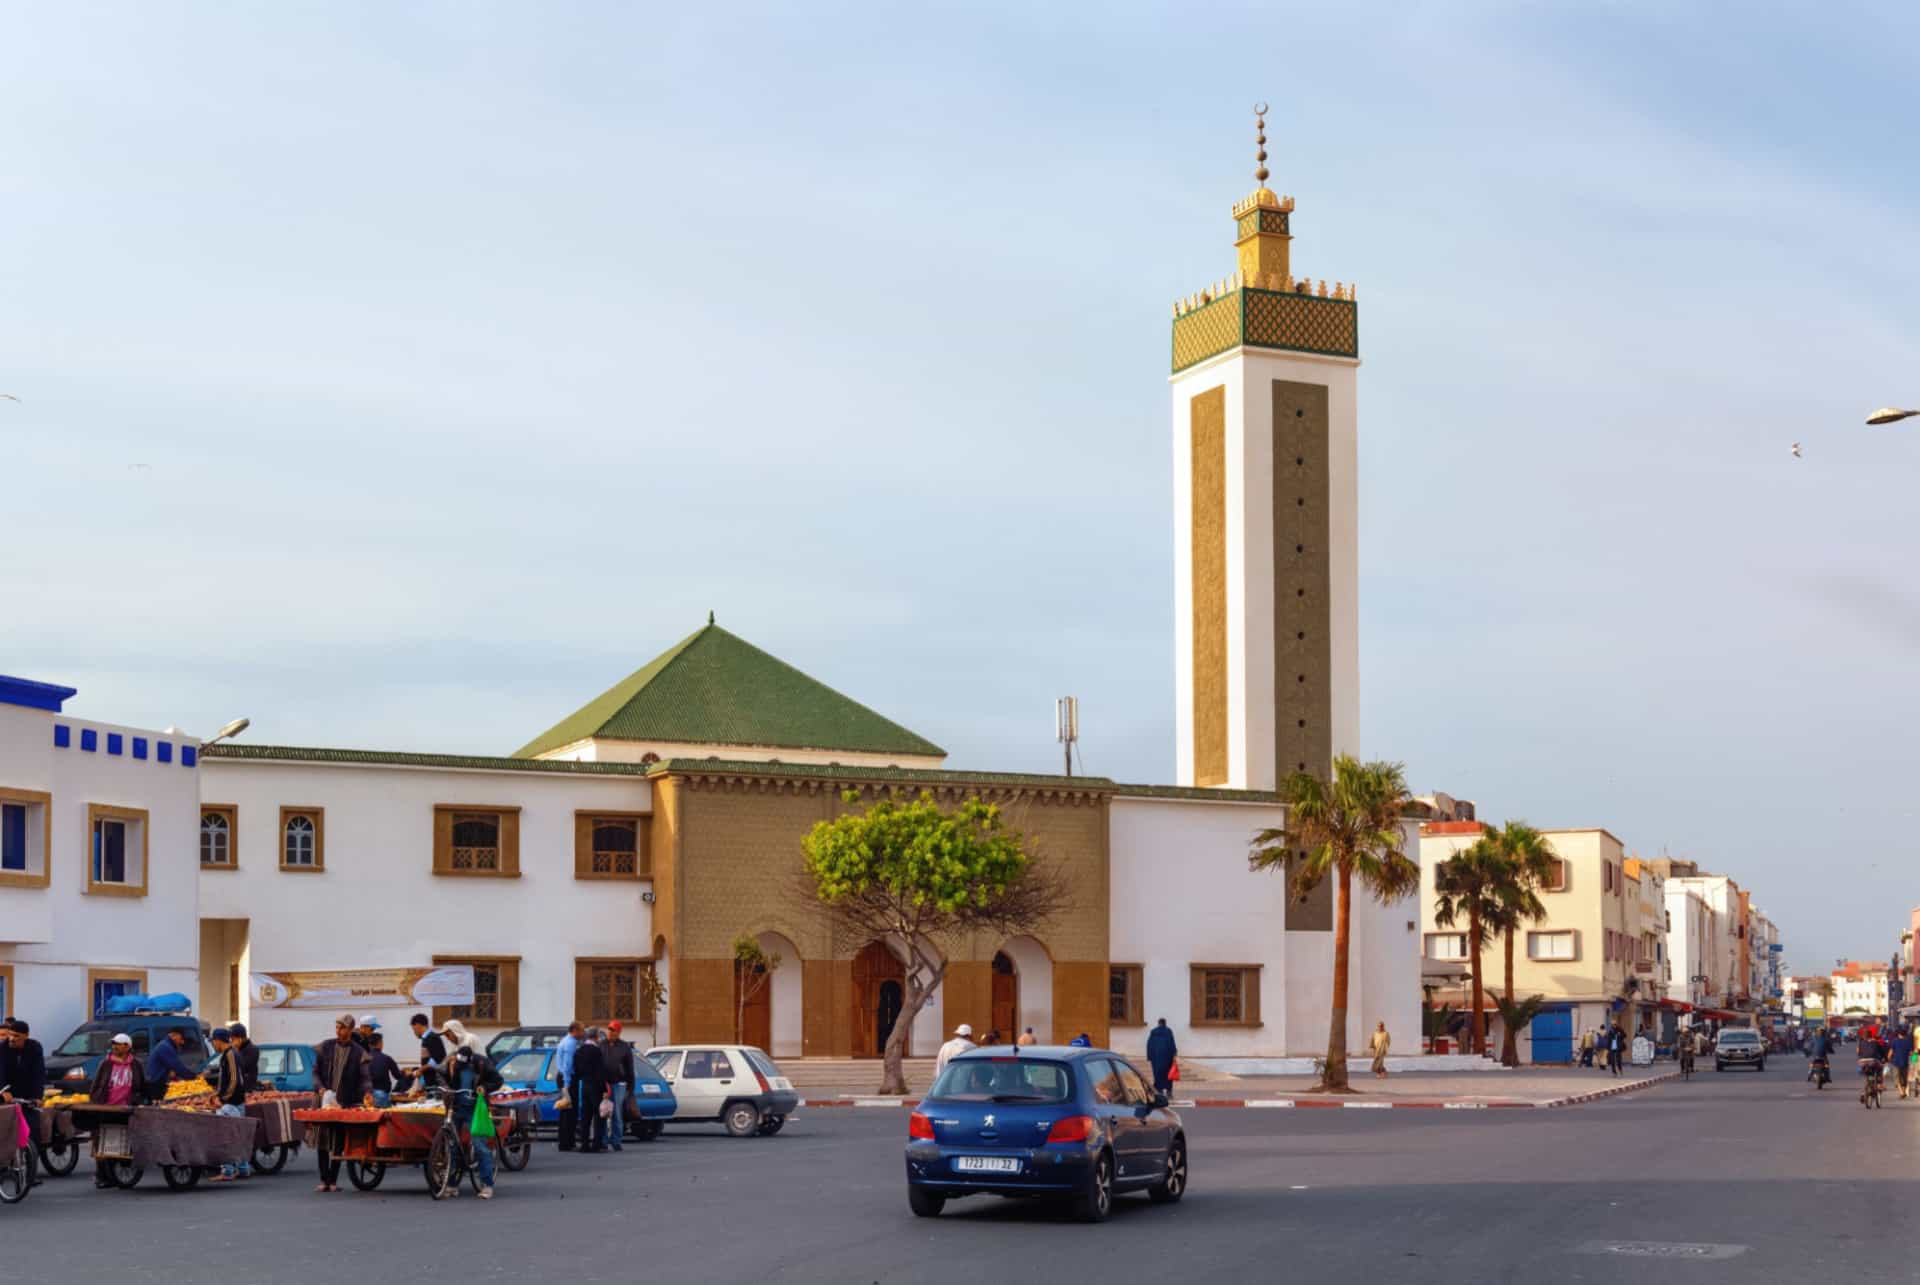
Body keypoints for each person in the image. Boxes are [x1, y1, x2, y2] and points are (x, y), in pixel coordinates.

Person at [312, 1013, 370, 1193]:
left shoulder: (359, 1052)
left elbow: (365, 1077)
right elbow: (315, 1072)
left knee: (338, 1140)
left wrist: (368, 1093)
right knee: (322, 1139)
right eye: (337, 1027)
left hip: (345, 1101)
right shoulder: (325, 1047)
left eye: (342, 1028)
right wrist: (320, 1087)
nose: (339, 1031)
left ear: (350, 1030)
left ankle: (333, 1180)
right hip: (323, 1101)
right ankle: (323, 1179)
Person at [443, 1038, 504, 1199]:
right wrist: (446, 1089)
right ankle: (452, 1185)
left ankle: (487, 1185)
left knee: (480, 1146)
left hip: (475, 1109)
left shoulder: (482, 1063)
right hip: (456, 1108)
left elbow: (498, 1080)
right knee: (452, 1147)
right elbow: (440, 1074)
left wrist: (484, 1087)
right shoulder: (453, 1062)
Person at [87, 1034, 144, 1187]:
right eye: (114, 1044)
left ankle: (115, 1173)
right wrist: (94, 1102)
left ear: (127, 1047)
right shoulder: (105, 1064)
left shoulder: (136, 1064)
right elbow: (96, 1085)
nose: (115, 1047)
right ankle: (101, 1175)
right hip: (106, 1107)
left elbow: (142, 1085)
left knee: (122, 1139)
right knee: (101, 1140)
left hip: (126, 1108)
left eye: (118, 1044)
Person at [207, 1028, 253, 1182]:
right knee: (237, 1136)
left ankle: (227, 1171)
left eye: (213, 1041)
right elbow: (226, 1081)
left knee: (226, 1136)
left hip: (232, 1103)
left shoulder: (231, 1055)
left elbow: (234, 1081)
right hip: (234, 1102)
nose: (213, 1044)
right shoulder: (228, 1055)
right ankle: (243, 1169)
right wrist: (216, 1094)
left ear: (219, 1040)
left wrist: (223, 1099)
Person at [574, 1027, 609, 1153]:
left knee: (585, 1116)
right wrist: (604, 1088)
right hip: (596, 1086)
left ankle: (584, 1144)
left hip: (584, 1084)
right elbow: (600, 1071)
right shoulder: (596, 1051)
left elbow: (576, 1069)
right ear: (595, 1037)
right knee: (599, 1116)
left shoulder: (580, 1051)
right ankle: (597, 1143)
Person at [144, 1026, 197, 1103]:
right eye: (181, 1039)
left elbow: (172, 1067)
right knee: (158, 1108)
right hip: (155, 1084)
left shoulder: (167, 1045)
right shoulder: (165, 1047)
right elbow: (178, 1067)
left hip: (157, 1082)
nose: (182, 1042)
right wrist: (194, 1077)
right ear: (175, 1035)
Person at [605, 1021, 636, 1152]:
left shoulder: (624, 1047)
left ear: (619, 1032)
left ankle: (616, 1141)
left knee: (617, 1113)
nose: (610, 1032)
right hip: (604, 1084)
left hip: (618, 1084)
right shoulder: (601, 1045)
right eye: (609, 1029)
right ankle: (602, 1140)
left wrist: (630, 1086)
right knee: (603, 1113)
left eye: (613, 1030)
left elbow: (630, 1067)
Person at [553, 1021, 583, 1153]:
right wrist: (567, 1084)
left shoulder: (564, 1040)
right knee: (570, 1112)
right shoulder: (571, 1043)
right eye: (581, 1030)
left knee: (564, 1111)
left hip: (563, 1077)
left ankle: (564, 1141)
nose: (583, 1033)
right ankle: (568, 1142)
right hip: (568, 1079)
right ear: (575, 1030)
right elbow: (567, 1064)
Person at [364, 1031, 407, 1107]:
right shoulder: (386, 1058)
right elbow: (397, 1076)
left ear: (369, 1045)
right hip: (381, 1096)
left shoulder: (364, 1059)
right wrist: (405, 1073)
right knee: (384, 1117)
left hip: (366, 1096)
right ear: (380, 1043)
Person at [1145, 1017, 1178, 1095]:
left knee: (1157, 1073)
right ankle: (1169, 1090)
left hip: (1156, 1057)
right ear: (1165, 1023)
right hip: (1167, 1057)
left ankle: (1159, 1090)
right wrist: (1174, 1053)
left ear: (1158, 1023)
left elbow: (1149, 1044)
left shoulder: (1153, 1032)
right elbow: (1171, 1043)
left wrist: (1149, 1056)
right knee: (1168, 1073)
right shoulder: (1168, 1031)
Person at [229, 1021, 261, 1093]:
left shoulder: (252, 1050)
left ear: (240, 1038)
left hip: (247, 1090)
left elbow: (241, 1066)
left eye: (233, 1039)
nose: (232, 1042)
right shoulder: (237, 1050)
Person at [1894, 1026, 1916, 1100]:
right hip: (1905, 1063)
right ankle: (1904, 1092)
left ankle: (1901, 1092)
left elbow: (1890, 1051)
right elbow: (1912, 1053)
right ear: (1905, 1034)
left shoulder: (1895, 1041)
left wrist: (1887, 1059)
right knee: (1904, 1078)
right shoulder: (1908, 1041)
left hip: (1896, 1063)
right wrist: (1914, 1061)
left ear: (1898, 1034)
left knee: (1897, 1078)